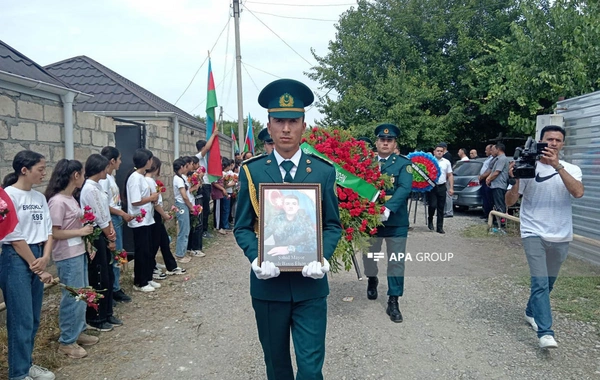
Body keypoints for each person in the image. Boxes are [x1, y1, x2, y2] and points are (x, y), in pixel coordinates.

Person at [234, 78, 342, 379]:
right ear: (268, 126)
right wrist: (255, 258)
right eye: (279, 121)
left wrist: (325, 257)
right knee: (277, 366)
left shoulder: (323, 171)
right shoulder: (252, 172)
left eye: (292, 121)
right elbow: (242, 227)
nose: (285, 129)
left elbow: (332, 225)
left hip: (310, 287)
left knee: (310, 368)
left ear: (303, 127)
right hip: (269, 287)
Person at [505, 125, 584, 349]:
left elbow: (578, 192)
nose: (553, 143)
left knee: (548, 283)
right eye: (549, 139)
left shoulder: (571, 169)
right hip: (533, 232)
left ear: (563, 144)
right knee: (539, 281)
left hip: (561, 234)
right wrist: (516, 178)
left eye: (558, 140)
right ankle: (546, 332)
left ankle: (531, 311)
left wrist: (557, 166)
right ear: (540, 142)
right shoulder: (528, 168)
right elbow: (509, 202)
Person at [0, 150, 56, 380]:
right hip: (16, 258)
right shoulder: (7, 197)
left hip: (38, 255)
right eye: (40, 169)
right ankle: (18, 373)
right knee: (20, 319)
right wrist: (39, 266)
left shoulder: (39, 197)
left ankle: (27, 364)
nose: (44, 173)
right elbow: (12, 235)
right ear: (25, 170)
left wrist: (45, 258)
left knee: (32, 317)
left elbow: (49, 231)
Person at [46, 159, 99, 359]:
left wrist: (86, 239)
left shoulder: (71, 198)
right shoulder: (58, 201)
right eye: (82, 174)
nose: (84, 178)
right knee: (72, 297)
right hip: (67, 256)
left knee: (83, 294)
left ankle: (78, 331)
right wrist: (81, 230)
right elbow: (54, 233)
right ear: (75, 175)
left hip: (77, 251)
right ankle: (67, 341)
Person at [362, 124, 412, 323]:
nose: (385, 142)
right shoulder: (366, 163)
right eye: (382, 139)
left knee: (396, 261)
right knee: (369, 256)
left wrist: (388, 208)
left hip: (396, 221)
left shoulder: (403, 164)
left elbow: (404, 187)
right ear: (376, 142)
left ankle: (393, 300)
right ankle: (372, 278)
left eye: (389, 140)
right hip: (371, 221)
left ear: (394, 143)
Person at [80, 154, 122, 331]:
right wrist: (110, 236)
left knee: (107, 275)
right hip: (97, 234)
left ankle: (107, 313)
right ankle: (97, 318)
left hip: (105, 231)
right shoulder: (89, 189)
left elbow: (105, 212)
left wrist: (110, 231)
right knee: (99, 275)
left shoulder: (97, 187)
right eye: (105, 168)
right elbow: (97, 215)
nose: (107, 171)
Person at [99, 146, 133, 304]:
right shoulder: (104, 179)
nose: (120, 162)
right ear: (112, 161)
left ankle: (115, 286)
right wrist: (122, 214)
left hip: (116, 218)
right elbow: (104, 205)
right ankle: (113, 289)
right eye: (118, 159)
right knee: (115, 256)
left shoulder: (110, 177)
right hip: (112, 219)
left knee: (118, 254)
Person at [125, 149, 160, 293]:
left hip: (146, 219)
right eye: (150, 159)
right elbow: (135, 201)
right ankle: (140, 281)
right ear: (146, 161)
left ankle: (148, 277)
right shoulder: (135, 178)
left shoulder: (141, 177)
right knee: (141, 251)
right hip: (139, 219)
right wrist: (151, 198)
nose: (151, 162)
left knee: (148, 250)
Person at [145, 157, 187, 276]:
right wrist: (164, 214)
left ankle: (171, 266)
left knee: (163, 241)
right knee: (156, 242)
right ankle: (152, 267)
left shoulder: (151, 181)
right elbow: (155, 202)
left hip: (157, 214)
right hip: (155, 215)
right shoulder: (148, 181)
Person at [263, 194, 317, 260]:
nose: (291, 206)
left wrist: (290, 249)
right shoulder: (276, 220)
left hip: (301, 259)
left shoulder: (305, 222)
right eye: (287, 204)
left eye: (294, 204)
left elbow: (314, 243)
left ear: (298, 207)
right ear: (283, 206)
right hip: (279, 258)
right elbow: (262, 237)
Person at [427, 144, 453, 234]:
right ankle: (430, 220)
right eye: (437, 151)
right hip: (431, 186)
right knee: (432, 205)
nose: (439, 152)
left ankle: (439, 227)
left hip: (442, 186)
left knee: (441, 207)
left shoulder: (446, 162)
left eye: (441, 151)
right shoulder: (429, 161)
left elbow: (450, 175)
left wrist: (451, 188)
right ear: (434, 152)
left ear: (443, 152)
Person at [195, 134, 217, 239]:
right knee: (203, 209)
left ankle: (205, 229)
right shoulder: (198, 157)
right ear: (203, 148)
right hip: (203, 186)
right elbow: (208, 147)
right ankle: (203, 231)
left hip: (207, 185)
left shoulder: (203, 159)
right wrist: (214, 134)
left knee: (207, 209)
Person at [173, 158, 194, 264]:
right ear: (181, 167)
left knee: (186, 229)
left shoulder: (181, 178)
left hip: (183, 205)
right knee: (184, 230)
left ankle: (182, 252)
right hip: (182, 205)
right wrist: (191, 207)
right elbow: (184, 196)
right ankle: (180, 254)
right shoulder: (178, 179)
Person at [486, 143, 509, 228]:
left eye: (494, 149)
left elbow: (497, 172)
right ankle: (497, 221)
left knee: (500, 204)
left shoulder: (502, 159)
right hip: (495, 185)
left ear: (498, 149)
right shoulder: (497, 159)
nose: (493, 151)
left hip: (499, 185)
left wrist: (489, 179)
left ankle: (502, 223)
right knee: (496, 204)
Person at [478, 144, 495, 220]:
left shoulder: (493, 159)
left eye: (486, 149)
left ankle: (489, 215)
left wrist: (482, 176)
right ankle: (486, 213)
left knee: (488, 198)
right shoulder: (488, 158)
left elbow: (489, 170)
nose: (485, 151)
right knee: (485, 197)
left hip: (487, 179)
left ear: (491, 150)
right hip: (483, 180)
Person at [439, 142, 454, 217]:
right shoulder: (446, 155)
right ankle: (445, 210)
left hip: (446, 178)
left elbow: (448, 170)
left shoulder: (447, 156)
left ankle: (449, 211)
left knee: (448, 195)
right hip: (445, 178)